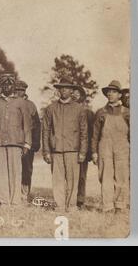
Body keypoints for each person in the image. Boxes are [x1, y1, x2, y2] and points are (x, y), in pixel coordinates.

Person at [42, 76, 88, 212]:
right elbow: (45, 131)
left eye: (67, 88)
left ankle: (72, 205)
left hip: (73, 150)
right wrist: (46, 151)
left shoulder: (79, 109)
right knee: (57, 180)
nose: (64, 90)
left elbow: (84, 132)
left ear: (72, 91)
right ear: (58, 90)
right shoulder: (51, 109)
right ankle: (59, 205)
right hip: (56, 150)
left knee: (73, 180)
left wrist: (83, 152)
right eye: (61, 88)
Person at [0, 74, 31, 207]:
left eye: (10, 84)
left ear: (13, 86)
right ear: (1, 87)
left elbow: (27, 124)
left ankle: (15, 201)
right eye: (4, 85)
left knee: (15, 172)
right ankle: (4, 201)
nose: (7, 87)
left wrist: (27, 144)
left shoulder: (21, 102)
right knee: (1, 173)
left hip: (16, 143)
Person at [92, 80, 130, 214]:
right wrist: (94, 152)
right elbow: (95, 134)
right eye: (109, 92)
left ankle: (119, 205)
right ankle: (107, 206)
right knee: (106, 176)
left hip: (122, 147)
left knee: (121, 176)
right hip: (105, 146)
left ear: (120, 95)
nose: (110, 94)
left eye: (114, 92)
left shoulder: (127, 112)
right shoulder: (101, 112)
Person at [15, 80, 41, 202]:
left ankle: (24, 193)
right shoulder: (9, 103)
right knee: (13, 168)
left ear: (25, 91)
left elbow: (37, 125)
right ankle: (13, 192)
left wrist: (35, 142)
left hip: (27, 142)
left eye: (22, 90)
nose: (19, 92)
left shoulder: (31, 105)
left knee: (26, 168)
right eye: (17, 90)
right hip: (13, 142)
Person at [72, 85, 95, 209]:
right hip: (70, 148)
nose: (75, 96)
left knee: (81, 175)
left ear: (82, 96)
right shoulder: (67, 111)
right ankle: (69, 198)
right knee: (69, 175)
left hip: (83, 149)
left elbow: (91, 132)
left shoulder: (88, 112)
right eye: (73, 93)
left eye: (77, 94)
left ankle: (80, 200)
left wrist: (89, 152)